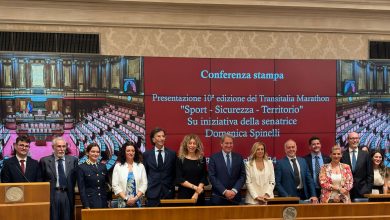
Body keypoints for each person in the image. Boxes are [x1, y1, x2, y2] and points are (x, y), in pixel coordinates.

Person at [40, 137, 78, 220]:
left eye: (64, 146)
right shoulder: (44, 161)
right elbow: (41, 181)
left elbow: (75, 179)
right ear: (53, 147)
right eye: (59, 146)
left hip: (67, 194)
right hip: (53, 194)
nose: (62, 149)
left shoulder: (73, 160)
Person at [208, 133, 246, 205]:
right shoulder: (214, 158)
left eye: (231, 143)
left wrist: (234, 191)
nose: (229, 145)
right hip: (219, 198)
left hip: (235, 198)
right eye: (226, 143)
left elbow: (242, 176)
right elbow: (212, 177)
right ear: (221, 144)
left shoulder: (239, 157)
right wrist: (225, 191)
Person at [143, 127, 176, 206]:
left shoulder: (172, 154)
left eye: (163, 136)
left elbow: (175, 173)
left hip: (168, 193)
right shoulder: (146, 155)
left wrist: (171, 187)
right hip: (152, 193)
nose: (162, 138)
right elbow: (145, 174)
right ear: (153, 139)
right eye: (159, 136)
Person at [112, 141, 147, 208]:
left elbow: (144, 184)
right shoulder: (118, 166)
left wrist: (135, 198)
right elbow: (115, 185)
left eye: (133, 151)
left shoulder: (140, 166)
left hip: (138, 201)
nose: (131, 153)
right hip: (123, 201)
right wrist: (126, 199)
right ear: (124, 152)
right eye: (128, 151)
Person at [175, 134, 208, 205]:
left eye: (194, 143)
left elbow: (203, 177)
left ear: (197, 145)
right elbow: (179, 179)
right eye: (190, 143)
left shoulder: (202, 159)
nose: (192, 146)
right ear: (185, 145)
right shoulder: (180, 159)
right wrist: (195, 188)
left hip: (199, 194)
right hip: (184, 194)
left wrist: (196, 193)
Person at [340, 132, 373, 200]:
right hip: (346, 192)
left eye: (356, 138)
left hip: (363, 191)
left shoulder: (365, 155)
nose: (355, 140)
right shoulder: (342, 155)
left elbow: (370, 174)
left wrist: (368, 189)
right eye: (352, 138)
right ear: (347, 140)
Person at [76, 143, 109, 208]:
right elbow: (82, 189)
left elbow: (106, 185)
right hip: (90, 202)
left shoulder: (103, 166)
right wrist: (86, 205)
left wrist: (108, 200)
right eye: (93, 151)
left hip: (103, 202)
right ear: (87, 153)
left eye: (97, 152)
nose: (95, 154)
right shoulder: (81, 167)